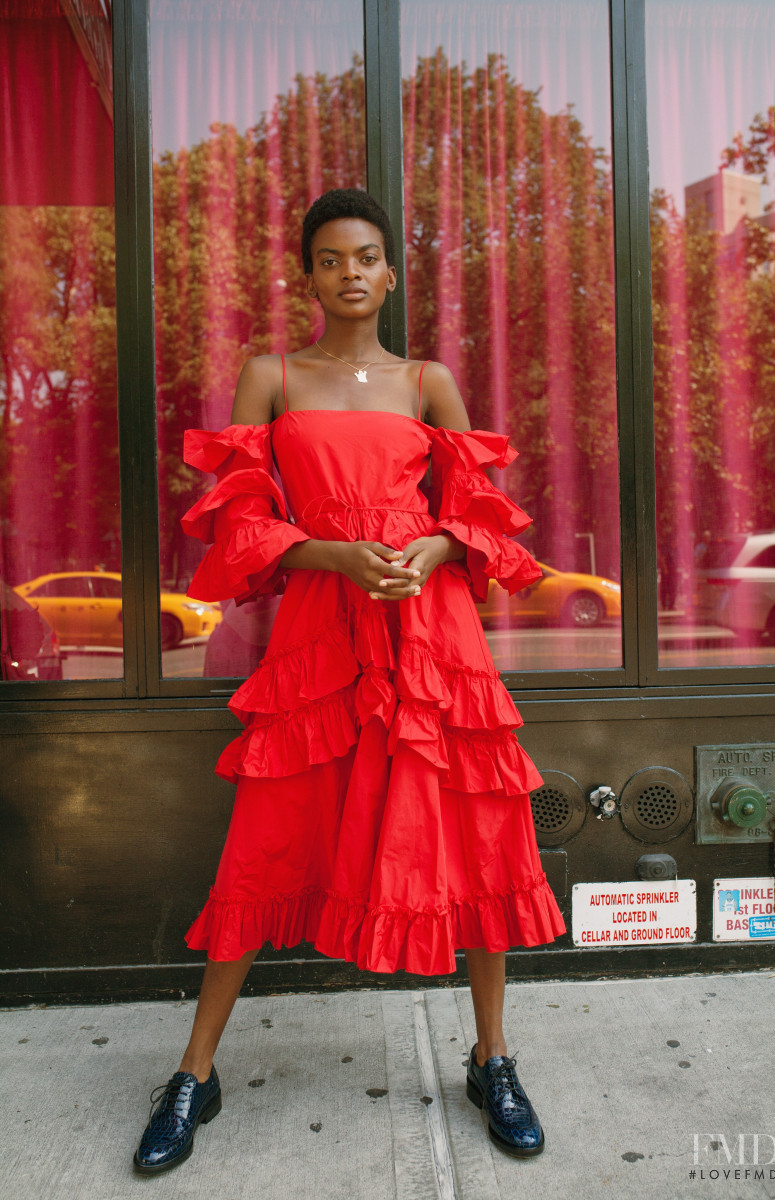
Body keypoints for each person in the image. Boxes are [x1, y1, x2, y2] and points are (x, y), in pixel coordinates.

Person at [133, 188, 566, 1175]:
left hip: (428, 636)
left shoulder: (427, 381)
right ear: (309, 273)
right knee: (267, 836)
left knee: (469, 826)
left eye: (366, 255)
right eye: (331, 258)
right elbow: (241, 529)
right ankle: (195, 1073)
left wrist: (435, 549)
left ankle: (491, 1057)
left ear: (389, 270)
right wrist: (328, 554)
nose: (350, 272)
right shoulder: (271, 376)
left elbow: (484, 519)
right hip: (321, 634)